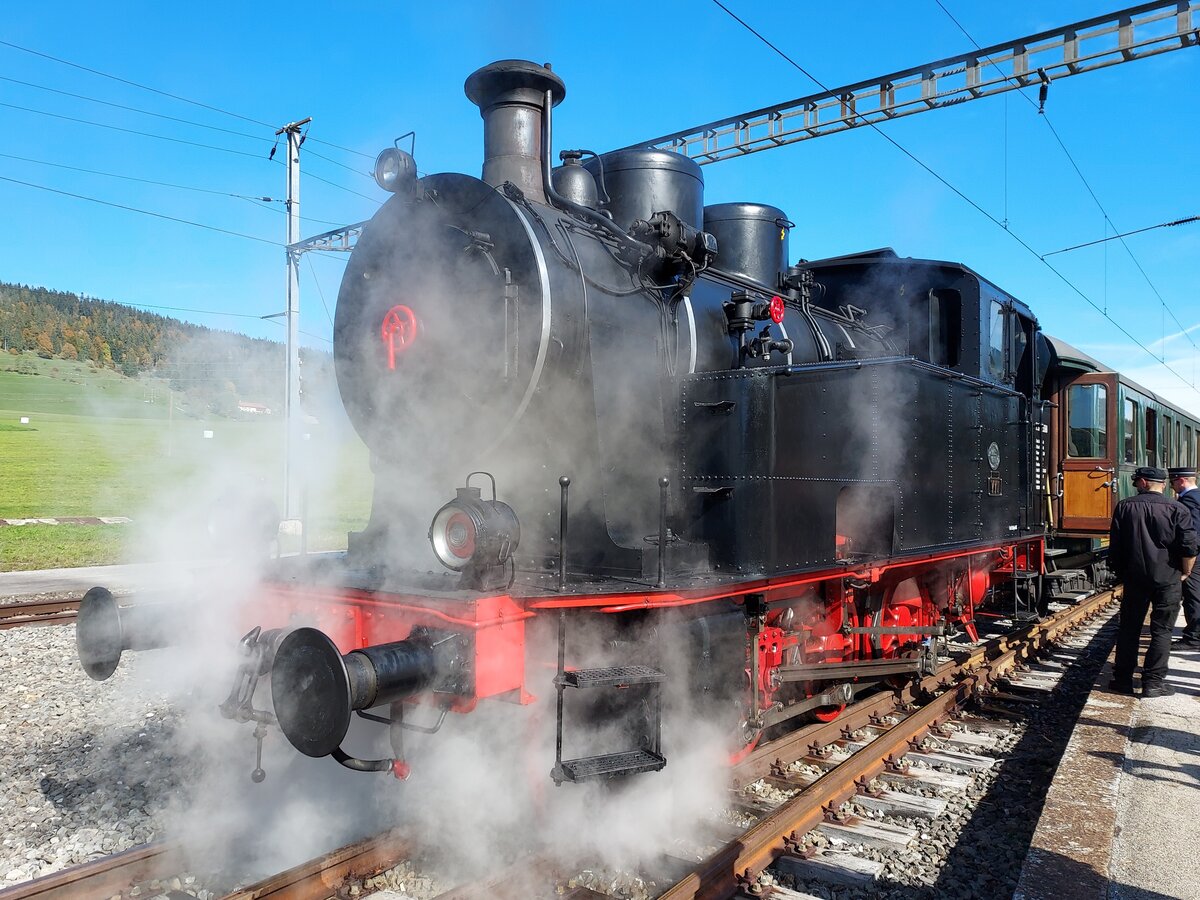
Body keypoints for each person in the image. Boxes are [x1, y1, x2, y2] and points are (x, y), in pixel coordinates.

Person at [1108, 466, 1197, 698]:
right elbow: (1189, 546)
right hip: (1168, 578)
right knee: (1162, 630)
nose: (1136, 485)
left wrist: (1121, 572)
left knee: (1129, 629)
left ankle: (1123, 680)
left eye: (1137, 481)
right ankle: (1153, 683)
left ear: (1145, 482)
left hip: (1135, 577)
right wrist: (1185, 572)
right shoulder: (1178, 508)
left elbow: (1116, 547)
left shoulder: (1125, 506)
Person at [1169, 466, 1200, 649]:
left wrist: (1188, 556)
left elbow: (1192, 533)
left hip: (1194, 556)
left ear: (1181, 480)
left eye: (1173, 482)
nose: (1172, 487)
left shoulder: (1189, 500)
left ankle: (1194, 638)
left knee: (1193, 594)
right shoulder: (1196, 496)